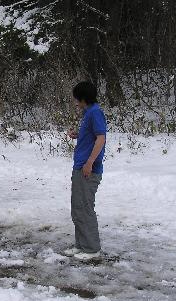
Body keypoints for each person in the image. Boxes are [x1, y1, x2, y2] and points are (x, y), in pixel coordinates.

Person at [67, 82, 107, 260]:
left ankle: (92, 249)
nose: (75, 101)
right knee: (77, 207)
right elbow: (92, 136)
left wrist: (90, 162)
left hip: (88, 168)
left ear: (84, 98)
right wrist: (78, 135)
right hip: (80, 166)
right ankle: (81, 245)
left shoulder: (95, 112)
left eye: (77, 98)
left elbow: (101, 138)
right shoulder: (87, 113)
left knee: (85, 207)